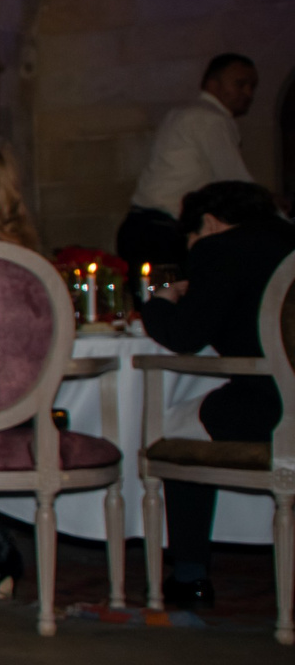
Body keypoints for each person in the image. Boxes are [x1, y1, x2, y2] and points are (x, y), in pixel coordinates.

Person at [138, 180, 295, 611]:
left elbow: (185, 335)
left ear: (207, 222)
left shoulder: (221, 248)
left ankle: (190, 576)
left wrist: (161, 302)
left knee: (176, 430)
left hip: (271, 407)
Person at [120, 53, 259, 270]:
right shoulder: (210, 118)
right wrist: (273, 211)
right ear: (212, 84)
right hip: (164, 230)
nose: (248, 93)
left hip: (139, 225)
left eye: (252, 86)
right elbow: (235, 181)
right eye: (240, 84)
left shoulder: (182, 113)